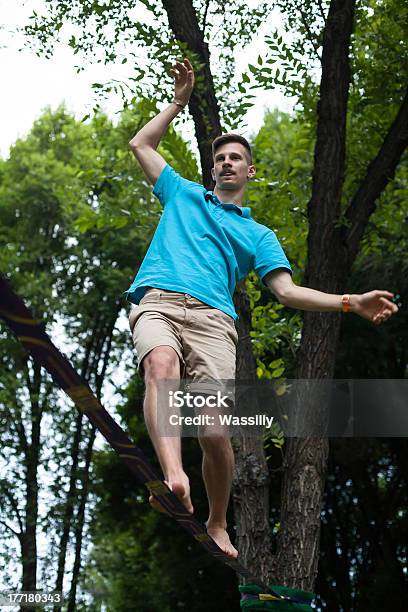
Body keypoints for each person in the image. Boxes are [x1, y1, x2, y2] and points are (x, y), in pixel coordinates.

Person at [126, 58, 398, 558]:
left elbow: (288, 293)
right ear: (212, 169)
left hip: (214, 322)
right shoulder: (182, 194)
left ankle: (217, 520)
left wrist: (349, 301)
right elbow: (141, 145)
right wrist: (179, 100)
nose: (227, 162)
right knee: (159, 366)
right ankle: (173, 477)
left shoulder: (258, 235)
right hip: (158, 301)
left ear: (249, 171)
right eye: (220, 158)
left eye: (235, 158)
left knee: (213, 428)